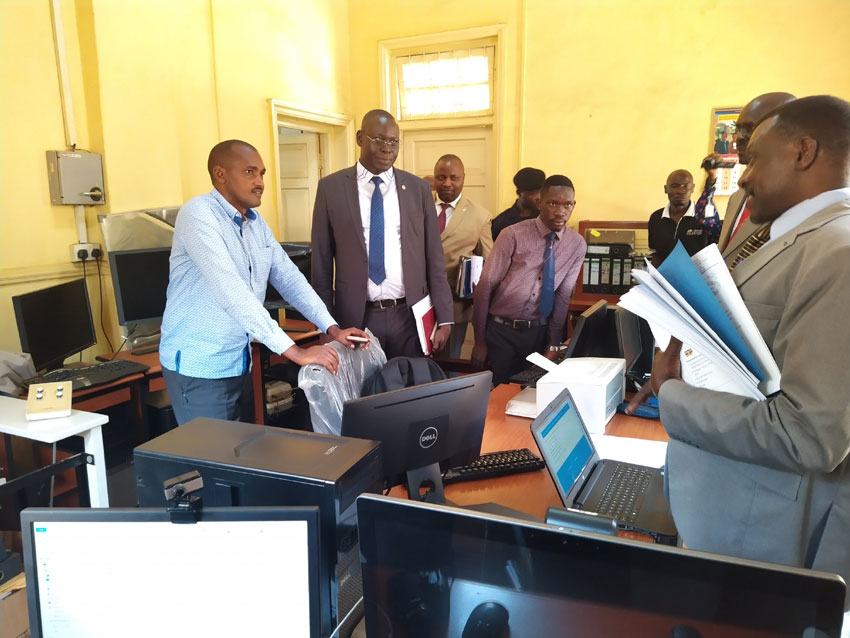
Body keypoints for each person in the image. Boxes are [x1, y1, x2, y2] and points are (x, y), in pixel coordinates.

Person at [650, 95, 850, 615]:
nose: (741, 176)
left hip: (765, 535)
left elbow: (808, 433)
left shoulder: (839, 251)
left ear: (803, 151)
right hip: (729, 510)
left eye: (755, 157)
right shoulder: (788, 235)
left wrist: (673, 391)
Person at [159, 140, 368, 425]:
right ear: (220, 174)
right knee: (213, 459)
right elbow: (231, 291)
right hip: (201, 365)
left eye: (262, 173)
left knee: (239, 454)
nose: (259, 182)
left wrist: (331, 328)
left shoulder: (254, 222)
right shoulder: (198, 215)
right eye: (249, 172)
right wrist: (295, 351)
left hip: (237, 359)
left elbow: (289, 277)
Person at [311, 109, 454, 359]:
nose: (387, 147)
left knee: (409, 391)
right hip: (356, 317)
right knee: (364, 393)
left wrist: (445, 316)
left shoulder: (418, 189)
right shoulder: (331, 188)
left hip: (409, 315)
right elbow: (321, 264)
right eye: (379, 139)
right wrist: (325, 324)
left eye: (393, 141)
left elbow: (434, 257)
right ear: (359, 138)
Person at [472, 175, 586, 385]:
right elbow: (485, 287)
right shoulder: (512, 235)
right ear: (540, 203)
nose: (561, 211)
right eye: (553, 203)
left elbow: (562, 296)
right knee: (500, 394)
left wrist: (553, 344)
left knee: (533, 394)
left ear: (573, 205)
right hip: (501, 332)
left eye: (567, 204)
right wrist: (479, 341)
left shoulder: (577, 244)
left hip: (538, 333)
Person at [717, 92, 797, 266]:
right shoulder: (737, 197)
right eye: (738, 129)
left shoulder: (796, 202)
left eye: (751, 128)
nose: (739, 138)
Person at [432, 154, 493, 359]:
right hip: (416, 303)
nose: (447, 183)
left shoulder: (480, 216)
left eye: (454, 178)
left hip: (456, 306)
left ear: (463, 178)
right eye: (441, 177)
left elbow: (490, 263)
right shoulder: (417, 207)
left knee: (448, 363)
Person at [647, 165, 720, 266]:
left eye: (685, 186)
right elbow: (656, 254)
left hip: (697, 278)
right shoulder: (655, 218)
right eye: (674, 186)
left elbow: (716, 251)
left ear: (693, 188)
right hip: (665, 278)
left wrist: (711, 177)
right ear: (666, 189)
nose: (680, 191)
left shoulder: (703, 216)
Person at [490, 167, 545, 241]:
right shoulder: (502, 223)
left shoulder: (546, 218)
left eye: (541, 192)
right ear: (519, 193)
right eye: (533, 194)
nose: (539, 198)